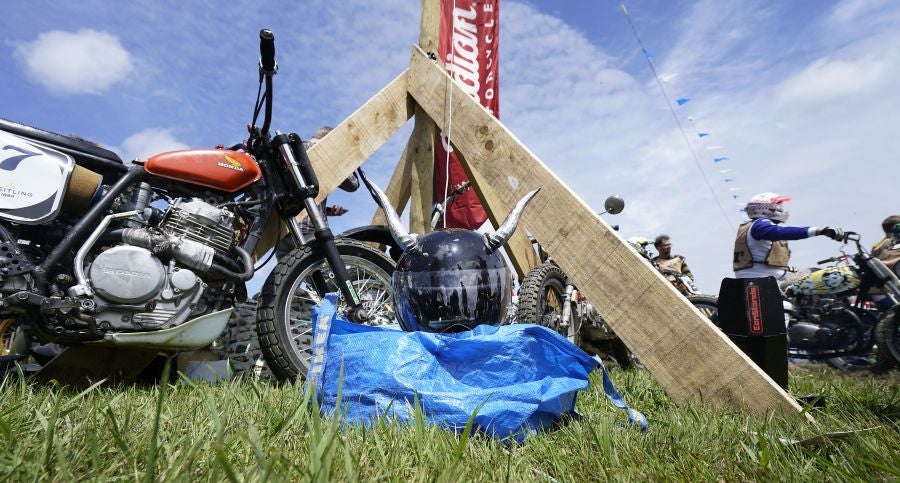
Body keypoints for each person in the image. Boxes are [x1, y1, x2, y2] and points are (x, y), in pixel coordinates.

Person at [275, 126, 358, 256]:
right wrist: (345, 155)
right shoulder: (320, 153)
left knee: (289, 274)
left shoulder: (289, 150)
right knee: (325, 273)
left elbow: (298, 194)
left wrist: (328, 211)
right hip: (310, 232)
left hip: (282, 232)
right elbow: (353, 183)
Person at [733, 192, 844, 280]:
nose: (782, 209)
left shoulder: (749, 227)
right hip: (767, 277)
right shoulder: (761, 224)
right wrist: (820, 231)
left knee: (812, 275)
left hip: (757, 275)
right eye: (778, 206)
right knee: (822, 275)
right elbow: (781, 231)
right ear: (766, 208)